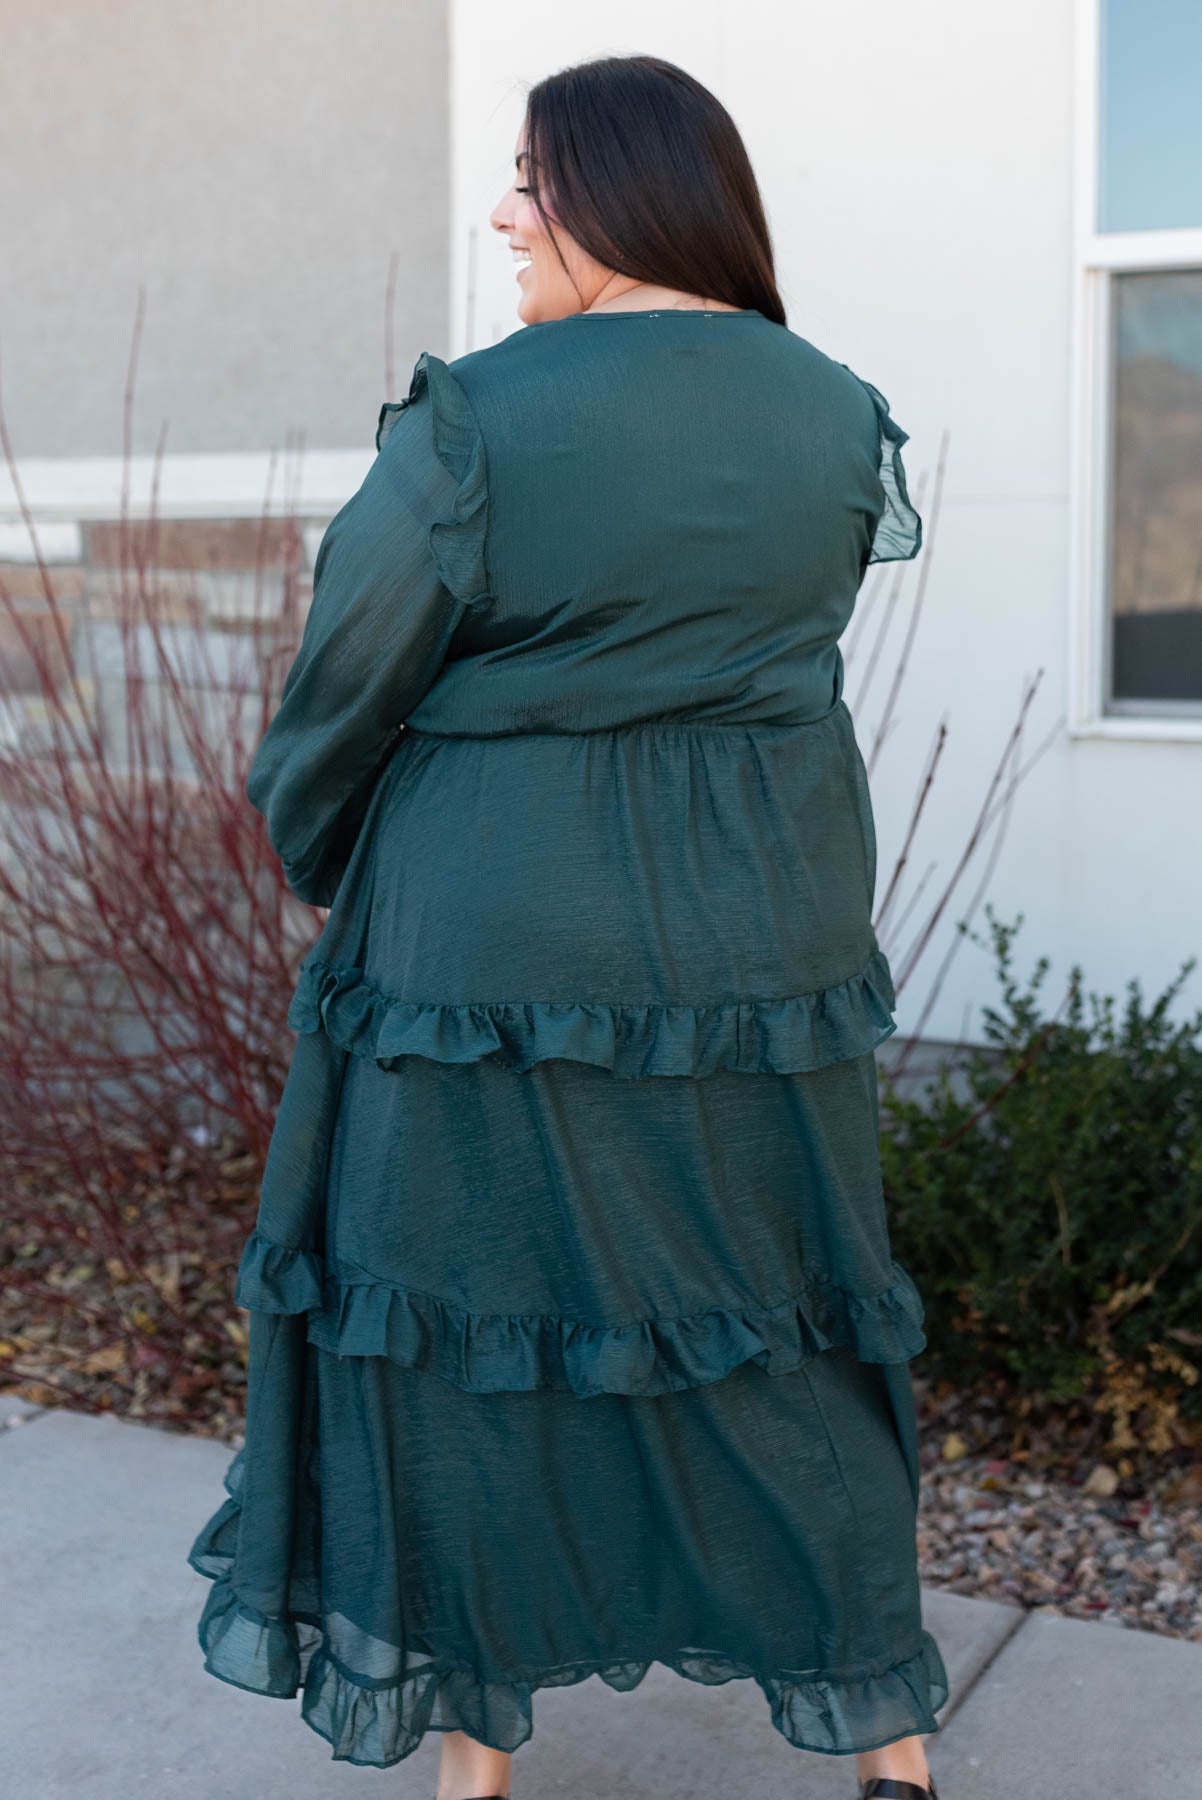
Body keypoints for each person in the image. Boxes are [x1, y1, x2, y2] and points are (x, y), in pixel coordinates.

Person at [187, 50, 948, 1800]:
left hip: (491, 938)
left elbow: (340, 685)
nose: (504, 213)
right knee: (781, 1307)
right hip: (762, 936)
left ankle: (475, 1754)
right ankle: (886, 1742)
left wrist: (328, 850)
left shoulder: (476, 416)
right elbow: (778, 660)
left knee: (460, 1312)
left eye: (531, 179)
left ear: (615, 192)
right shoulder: (835, 411)